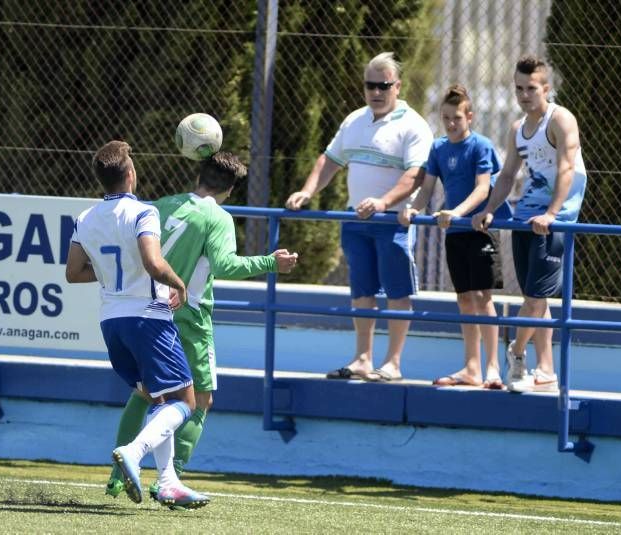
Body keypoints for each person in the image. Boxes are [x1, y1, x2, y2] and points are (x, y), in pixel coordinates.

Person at [105, 151, 299, 500]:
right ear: (231, 189)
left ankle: (117, 474)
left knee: (146, 392)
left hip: (147, 311)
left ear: (198, 176)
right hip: (190, 318)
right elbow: (224, 265)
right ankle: (171, 479)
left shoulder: (162, 205)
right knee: (200, 399)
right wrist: (272, 262)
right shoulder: (217, 216)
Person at [65, 140, 209, 509]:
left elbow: (73, 273)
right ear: (130, 174)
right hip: (147, 318)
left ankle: (168, 483)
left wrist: (115, 276)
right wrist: (178, 283)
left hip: (111, 322)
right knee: (185, 400)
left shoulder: (85, 218)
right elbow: (153, 262)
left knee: (158, 397)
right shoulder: (144, 212)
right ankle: (134, 450)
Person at [285, 51, 433, 383]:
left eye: (383, 85)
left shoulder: (414, 125)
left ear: (398, 86)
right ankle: (363, 358)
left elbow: (415, 176)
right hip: (356, 221)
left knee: (397, 292)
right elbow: (329, 161)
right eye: (370, 85)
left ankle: (393, 362)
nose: (376, 92)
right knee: (361, 289)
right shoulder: (354, 120)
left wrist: (382, 203)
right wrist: (308, 191)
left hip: (391, 222)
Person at [471, 55, 587, 393]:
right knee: (534, 298)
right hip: (526, 215)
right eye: (519, 88)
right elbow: (508, 175)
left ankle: (517, 352)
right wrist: (490, 208)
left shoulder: (561, 119)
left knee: (535, 296)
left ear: (546, 89)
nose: (524, 95)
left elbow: (566, 168)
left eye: (531, 88)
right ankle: (547, 369)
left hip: (556, 216)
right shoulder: (517, 129)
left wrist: (552, 214)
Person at [399, 84, 510, 389]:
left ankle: (492, 368)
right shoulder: (437, 148)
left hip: (480, 230)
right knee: (463, 298)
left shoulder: (481, 146)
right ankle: (471, 367)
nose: (450, 124)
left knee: (484, 297)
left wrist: (457, 212)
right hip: (455, 232)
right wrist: (413, 208)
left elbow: (483, 188)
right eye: (446, 117)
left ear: (469, 117)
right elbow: (428, 187)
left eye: (457, 118)